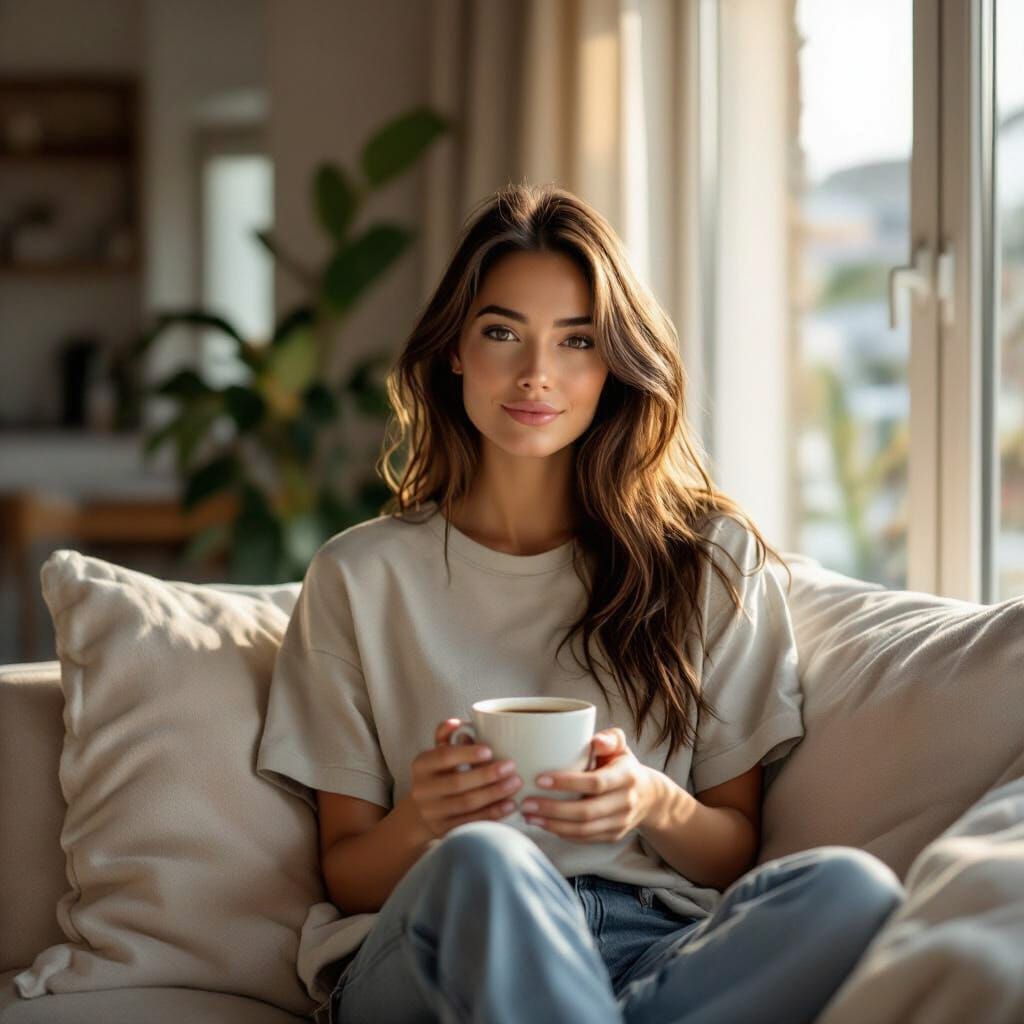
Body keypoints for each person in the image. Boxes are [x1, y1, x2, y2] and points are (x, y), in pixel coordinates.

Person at [255, 182, 905, 1024]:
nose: (536, 374)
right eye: (502, 333)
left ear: (616, 363)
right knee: (487, 860)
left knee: (850, 889)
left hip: (649, 949)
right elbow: (347, 872)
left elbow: (730, 850)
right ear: (455, 348)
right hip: (434, 938)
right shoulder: (357, 576)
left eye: (578, 341)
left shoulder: (707, 559)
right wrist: (424, 819)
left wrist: (650, 801)